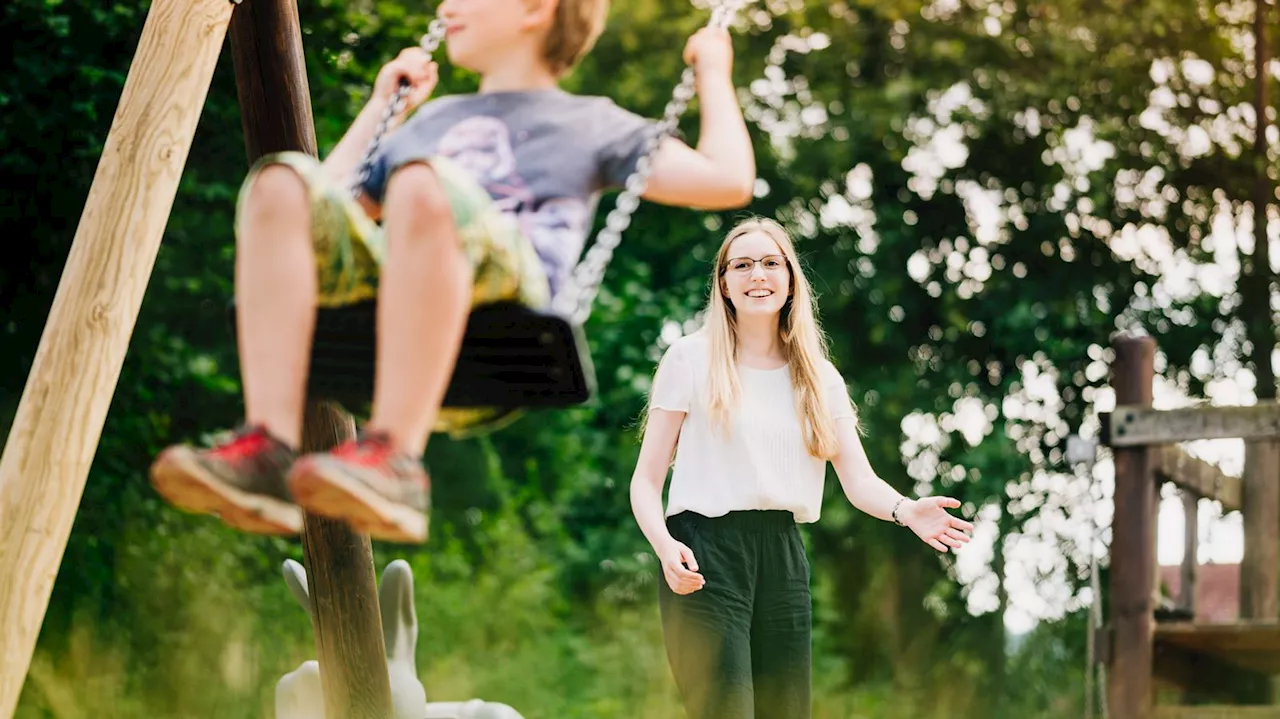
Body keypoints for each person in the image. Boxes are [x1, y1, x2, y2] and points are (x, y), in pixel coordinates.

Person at [148, 0, 756, 544]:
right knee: (279, 181)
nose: (447, 6)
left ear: (536, 9)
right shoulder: (433, 121)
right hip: (399, 299)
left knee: (420, 178)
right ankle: (267, 451)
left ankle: (396, 459)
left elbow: (727, 180)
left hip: (505, 302)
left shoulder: (591, 122)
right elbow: (314, 217)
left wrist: (713, 74)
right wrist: (382, 109)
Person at [629, 217, 974, 719]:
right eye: (741, 265)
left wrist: (907, 510)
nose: (757, 275)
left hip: (782, 555)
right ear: (723, 283)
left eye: (771, 263)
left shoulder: (818, 378)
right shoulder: (689, 358)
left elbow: (858, 481)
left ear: (791, 279)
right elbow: (646, 480)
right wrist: (665, 547)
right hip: (702, 552)